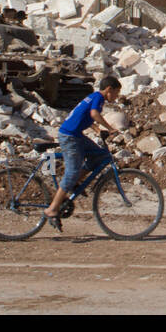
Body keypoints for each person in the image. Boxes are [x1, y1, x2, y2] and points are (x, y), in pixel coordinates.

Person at [43, 75, 121, 229]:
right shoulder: (98, 98)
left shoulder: (92, 97)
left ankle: (75, 183)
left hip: (76, 135)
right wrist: (110, 128)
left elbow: (85, 116)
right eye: (116, 93)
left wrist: (98, 130)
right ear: (109, 89)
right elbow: (93, 115)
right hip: (70, 137)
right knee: (71, 173)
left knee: (99, 155)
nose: (117, 96)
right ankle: (52, 209)